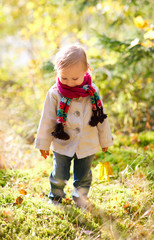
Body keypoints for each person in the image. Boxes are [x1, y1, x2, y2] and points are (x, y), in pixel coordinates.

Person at [35, 44, 113, 208]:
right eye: (64, 78)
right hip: (62, 143)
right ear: (58, 72)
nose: (69, 83)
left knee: (84, 176)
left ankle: (80, 200)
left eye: (75, 78)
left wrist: (105, 141)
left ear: (86, 70)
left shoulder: (92, 92)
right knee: (59, 173)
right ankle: (55, 198)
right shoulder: (55, 93)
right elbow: (47, 119)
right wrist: (43, 143)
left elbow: (101, 118)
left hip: (87, 142)